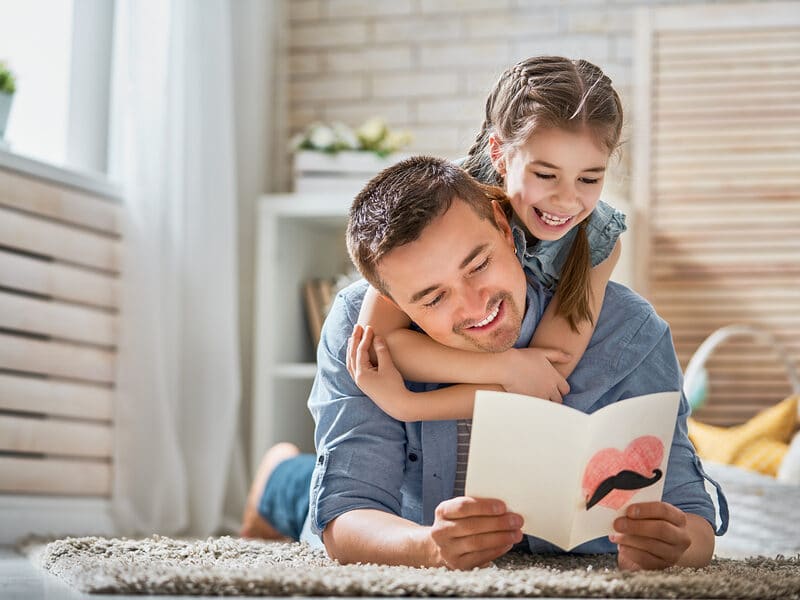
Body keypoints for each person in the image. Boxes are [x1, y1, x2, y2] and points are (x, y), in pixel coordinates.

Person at [241, 155, 728, 571]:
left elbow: (693, 520)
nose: (476, 306)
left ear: (502, 224)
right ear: (394, 305)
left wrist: (678, 542)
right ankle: (276, 475)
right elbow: (347, 512)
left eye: (478, 265)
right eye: (432, 299)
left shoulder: (630, 330)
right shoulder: (362, 333)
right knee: (299, 496)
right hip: (403, 509)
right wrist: (426, 546)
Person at [352, 56, 626, 421]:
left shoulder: (598, 242)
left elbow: (546, 376)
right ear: (499, 153)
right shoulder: (448, 203)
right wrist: (505, 367)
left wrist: (411, 406)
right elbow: (377, 345)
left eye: (589, 179)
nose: (567, 200)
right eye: (546, 175)